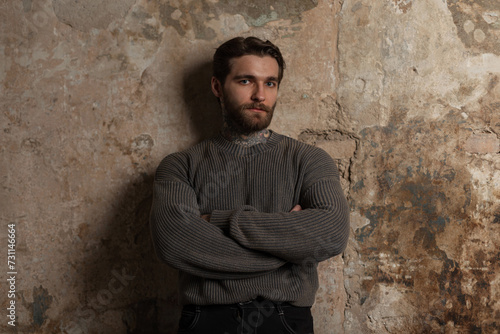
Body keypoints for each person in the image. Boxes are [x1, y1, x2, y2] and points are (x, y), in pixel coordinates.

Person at [150, 36, 350, 334]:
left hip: (284, 320)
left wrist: (222, 221)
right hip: (206, 321)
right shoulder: (180, 165)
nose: (260, 95)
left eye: (270, 83)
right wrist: (286, 251)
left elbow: (332, 234)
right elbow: (175, 244)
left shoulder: (309, 160)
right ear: (217, 87)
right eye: (246, 81)